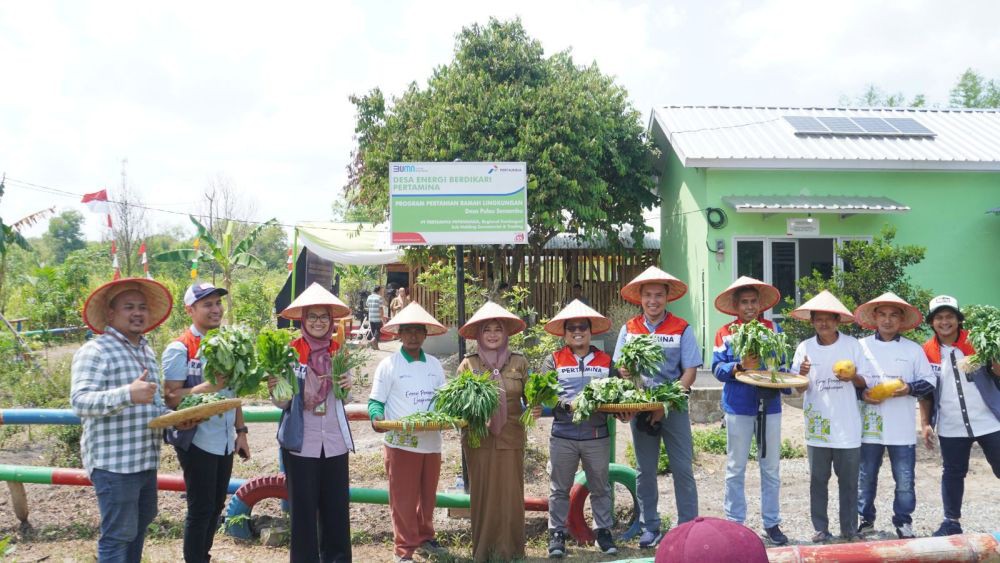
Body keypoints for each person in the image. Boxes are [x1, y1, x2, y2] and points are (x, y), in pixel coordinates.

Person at [71, 278, 197, 562]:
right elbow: (80, 402)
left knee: (139, 527)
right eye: (129, 307)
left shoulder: (146, 352)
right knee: (117, 535)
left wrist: (175, 419)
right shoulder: (96, 351)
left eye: (142, 307)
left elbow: (152, 407)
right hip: (114, 464)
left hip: (144, 460)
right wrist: (127, 393)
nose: (137, 312)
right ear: (110, 314)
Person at [162, 282, 251, 562]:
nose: (215, 309)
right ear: (191, 310)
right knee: (200, 507)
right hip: (196, 438)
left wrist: (241, 431)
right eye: (207, 304)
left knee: (216, 506)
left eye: (217, 303)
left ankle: (204, 555)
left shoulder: (228, 341)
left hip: (225, 438)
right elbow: (171, 398)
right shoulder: (180, 348)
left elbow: (232, 392)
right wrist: (208, 387)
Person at [614, 266, 702, 548]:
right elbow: (620, 365)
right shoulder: (629, 329)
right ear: (640, 298)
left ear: (667, 298)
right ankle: (650, 526)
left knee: (682, 468)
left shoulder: (681, 328)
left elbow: (689, 372)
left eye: (659, 295)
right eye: (648, 295)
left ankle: (688, 526)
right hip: (641, 407)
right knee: (645, 470)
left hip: (673, 406)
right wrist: (625, 372)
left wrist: (666, 402)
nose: (653, 301)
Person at [270, 283, 355, 562]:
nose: (318, 322)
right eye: (312, 317)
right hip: (301, 443)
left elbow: (345, 396)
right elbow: (282, 403)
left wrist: (347, 384)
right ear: (303, 320)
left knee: (336, 509)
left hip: (334, 442)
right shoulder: (291, 352)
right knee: (303, 512)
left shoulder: (339, 350)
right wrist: (277, 388)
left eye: (323, 317)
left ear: (331, 321)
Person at [456, 301, 539, 562]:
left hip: (511, 437)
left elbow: (534, 396)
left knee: (511, 495)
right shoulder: (468, 365)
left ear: (506, 334)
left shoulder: (519, 362)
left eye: (498, 329)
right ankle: (483, 552)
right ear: (479, 335)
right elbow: (457, 404)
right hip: (478, 439)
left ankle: (511, 551)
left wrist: (536, 407)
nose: (492, 334)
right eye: (487, 330)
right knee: (482, 495)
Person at [710, 276, 789, 546]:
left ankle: (772, 522)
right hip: (738, 405)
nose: (749, 306)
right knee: (735, 466)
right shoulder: (725, 332)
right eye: (744, 302)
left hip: (770, 405)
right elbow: (717, 369)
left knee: (770, 467)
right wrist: (739, 365)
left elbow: (782, 366)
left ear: (760, 304)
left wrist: (794, 379)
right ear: (735, 305)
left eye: (754, 301)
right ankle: (734, 523)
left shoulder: (773, 329)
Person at [368, 302, 449, 563]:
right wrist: (376, 417)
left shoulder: (435, 365)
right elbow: (375, 402)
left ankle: (425, 536)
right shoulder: (388, 365)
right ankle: (403, 549)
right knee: (403, 498)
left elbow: (444, 399)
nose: (413, 335)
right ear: (398, 334)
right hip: (401, 442)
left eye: (418, 330)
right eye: (407, 331)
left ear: (425, 334)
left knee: (427, 496)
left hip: (431, 441)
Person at [789, 290, 870, 543]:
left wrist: (852, 377)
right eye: (818, 319)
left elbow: (864, 380)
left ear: (837, 321)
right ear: (812, 321)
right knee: (818, 481)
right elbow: (798, 388)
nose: (823, 323)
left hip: (847, 426)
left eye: (828, 319)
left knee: (848, 482)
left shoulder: (852, 345)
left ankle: (849, 529)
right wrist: (802, 375)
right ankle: (821, 528)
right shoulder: (805, 347)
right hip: (818, 427)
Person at [852, 292, 934, 540]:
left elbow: (929, 381)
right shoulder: (861, 346)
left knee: (905, 480)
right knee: (866, 478)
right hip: (869, 427)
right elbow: (853, 382)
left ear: (901, 320)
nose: (888, 320)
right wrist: (862, 394)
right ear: (875, 317)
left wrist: (909, 388)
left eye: (893, 316)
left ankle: (903, 521)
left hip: (902, 428)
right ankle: (865, 520)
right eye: (883, 315)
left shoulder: (913, 349)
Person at [918, 295, 1000, 537]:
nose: (945, 322)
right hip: (952, 425)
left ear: (958, 319)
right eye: (939, 317)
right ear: (932, 322)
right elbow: (926, 393)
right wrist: (925, 424)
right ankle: (951, 521)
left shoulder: (978, 341)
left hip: (989, 421)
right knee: (953, 473)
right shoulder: (926, 351)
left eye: (950, 316)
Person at [541, 299, 618, 557]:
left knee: (600, 486)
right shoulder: (553, 360)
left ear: (590, 330)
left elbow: (619, 393)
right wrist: (567, 406)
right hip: (563, 435)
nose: (577, 331)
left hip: (597, 435)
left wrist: (623, 410)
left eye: (582, 327)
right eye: (571, 327)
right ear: (564, 333)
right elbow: (546, 396)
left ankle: (604, 533)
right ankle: (557, 535)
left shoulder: (606, 361)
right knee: (559, 488)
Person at [366, 285, 386, 349]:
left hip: (371, 317)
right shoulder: (379, 297)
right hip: (377, 317)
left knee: (373, 331)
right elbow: (381, 309)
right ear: (379, 290)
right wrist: (382, 318)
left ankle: (375, 346)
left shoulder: (369, 297)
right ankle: (373, 340)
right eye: (381, 290)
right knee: (378, 330)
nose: (382, 291)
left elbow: (367, 305)